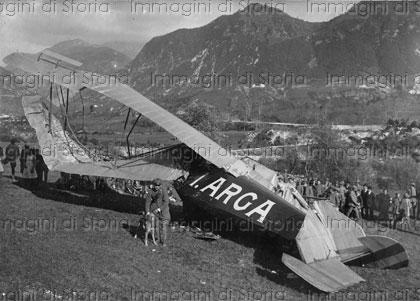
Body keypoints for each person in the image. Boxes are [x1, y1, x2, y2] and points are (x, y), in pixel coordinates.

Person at [154, 178, 171, 247]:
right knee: (157, 227)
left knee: (163, 229)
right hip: (158, 214)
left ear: (160, 185)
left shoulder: (164, 191)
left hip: (165, 214)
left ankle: (164, 242)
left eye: (158, 185)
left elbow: (166, 202)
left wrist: (159, 209)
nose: (156, 186)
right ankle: (158, 239)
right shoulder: (156, 191)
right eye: (155, 185)